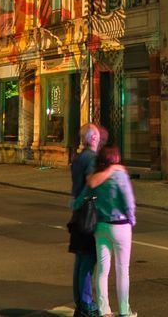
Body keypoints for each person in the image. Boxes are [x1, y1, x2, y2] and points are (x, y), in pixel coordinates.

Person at [79, 146, 136, 317]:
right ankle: (125, 311)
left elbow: (89, 189)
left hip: (101, 226)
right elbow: (128, 201)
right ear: (116, 159)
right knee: (122, 270)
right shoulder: (119, 176)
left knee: (103, 270)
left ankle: (104, 310)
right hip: (121, 225)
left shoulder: (97, 177)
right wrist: (132, 220)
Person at [68, 123, 103, 317]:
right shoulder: (91, 158)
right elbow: (91, 182)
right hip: (88, 214)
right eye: (97, 134)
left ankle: (80, 302)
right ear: (92, 139)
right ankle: (86, 304)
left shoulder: (78, 158)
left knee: (80, 260)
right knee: (88, 261)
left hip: (78, 214)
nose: (99, 138)